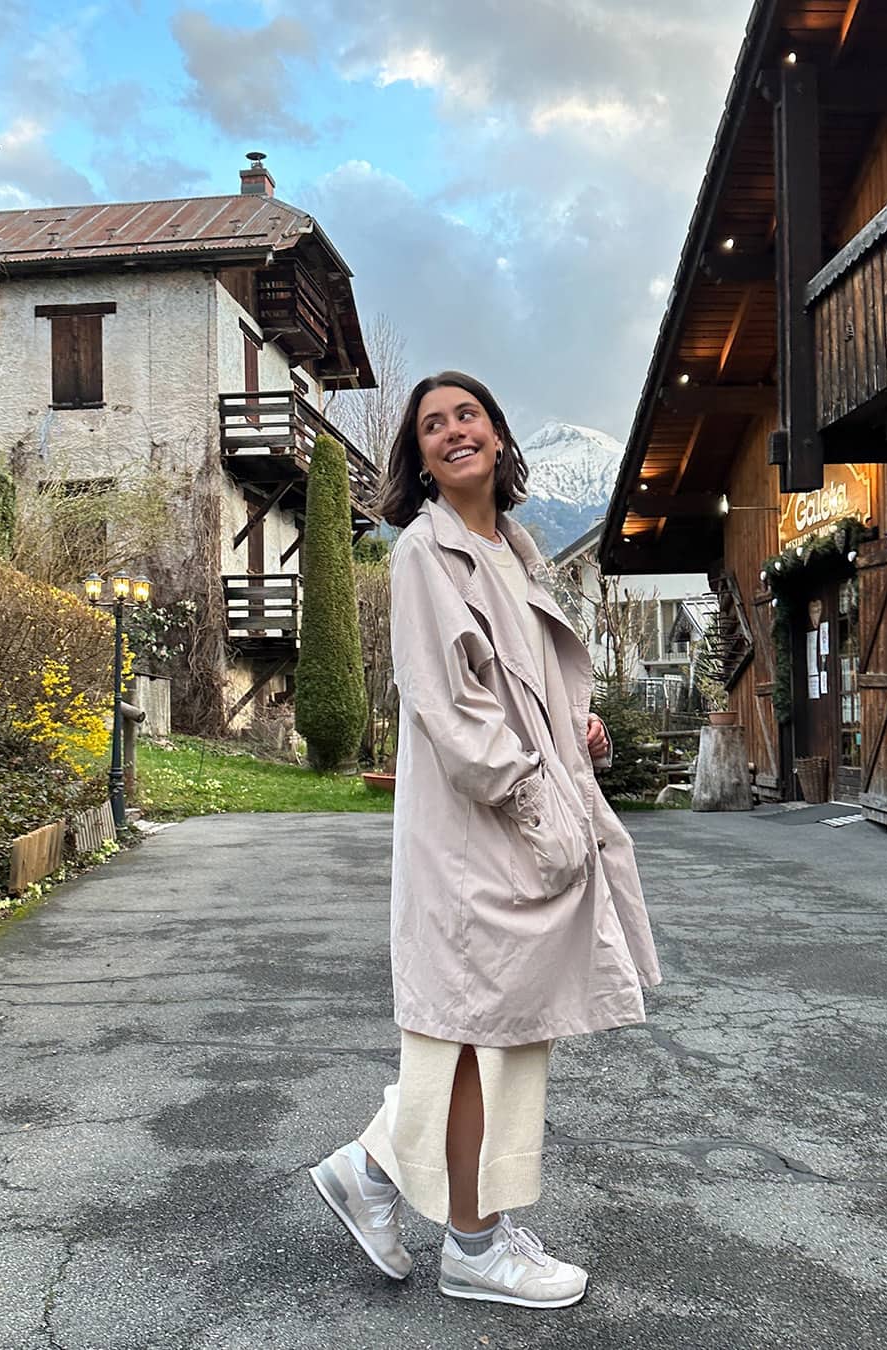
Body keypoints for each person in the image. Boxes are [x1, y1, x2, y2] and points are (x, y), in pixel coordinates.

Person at [308, 370, 661, 1308]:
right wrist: (544, 808)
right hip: (481, 829)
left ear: (499, 436)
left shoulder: (514, 549)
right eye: (433, 424)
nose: (453, 431)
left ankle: (375, 1174)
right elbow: (455, 712)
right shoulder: (425, 555)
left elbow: (527, 691)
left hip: (518, 815)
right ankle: (471, 1242)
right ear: (420, 458)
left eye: (468, 415)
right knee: (478, 1032)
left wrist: (577, 736)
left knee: (491, 1029)